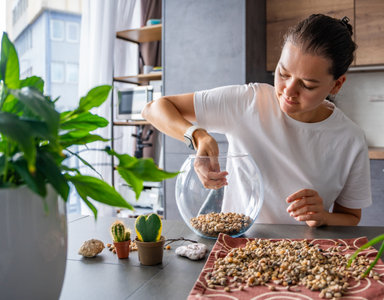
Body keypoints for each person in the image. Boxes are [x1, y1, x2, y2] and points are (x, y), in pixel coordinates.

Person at [142, 14, 371, 227]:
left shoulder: (350, 139)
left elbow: (351, 217)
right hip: (240, 247)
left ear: (337, 84)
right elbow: (154, 108)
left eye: (307, 85)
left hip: (307, 254)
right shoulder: (249, 102)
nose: (288, 91)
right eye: (283, 74)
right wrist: (197, 135)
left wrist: (324, 217)